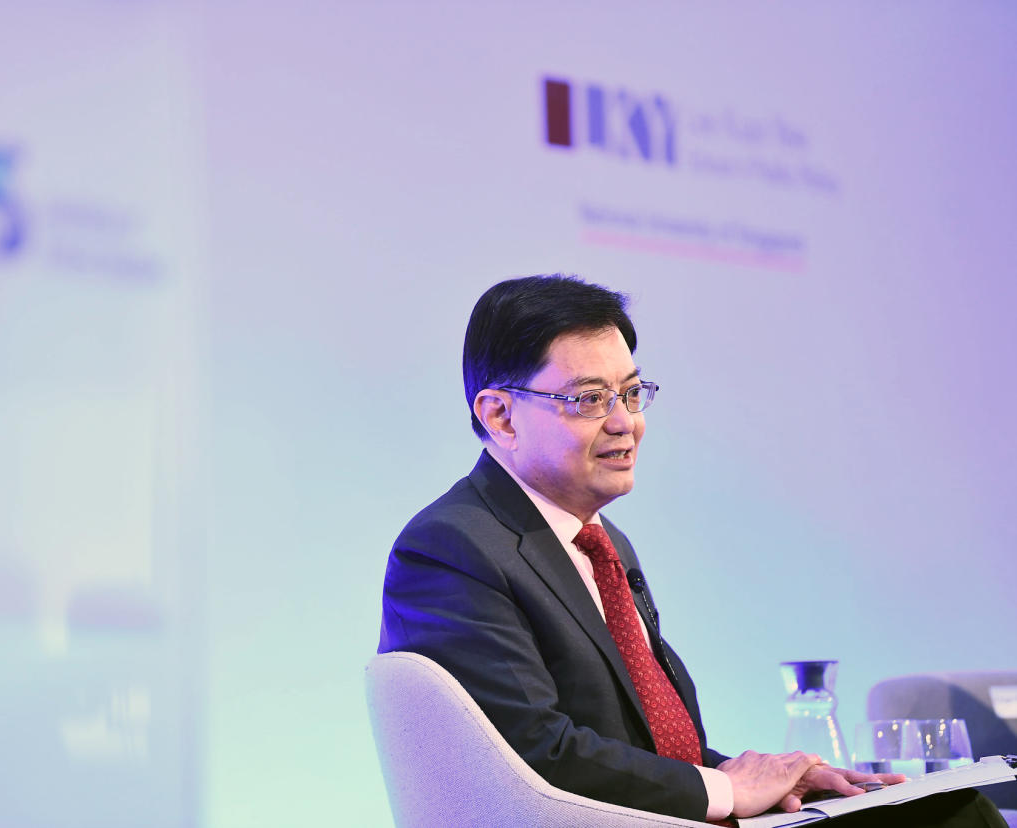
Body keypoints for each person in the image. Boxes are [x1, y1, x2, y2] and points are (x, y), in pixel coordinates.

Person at [377, 275, 1006, 826]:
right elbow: (535, 751)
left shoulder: (602, 543)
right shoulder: (453, 546)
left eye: (630, 392)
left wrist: (767, 777)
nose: (625, 421)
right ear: (501, 416)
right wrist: (728, 788)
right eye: (590, 399)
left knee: (945, 807)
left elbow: (647, 744)